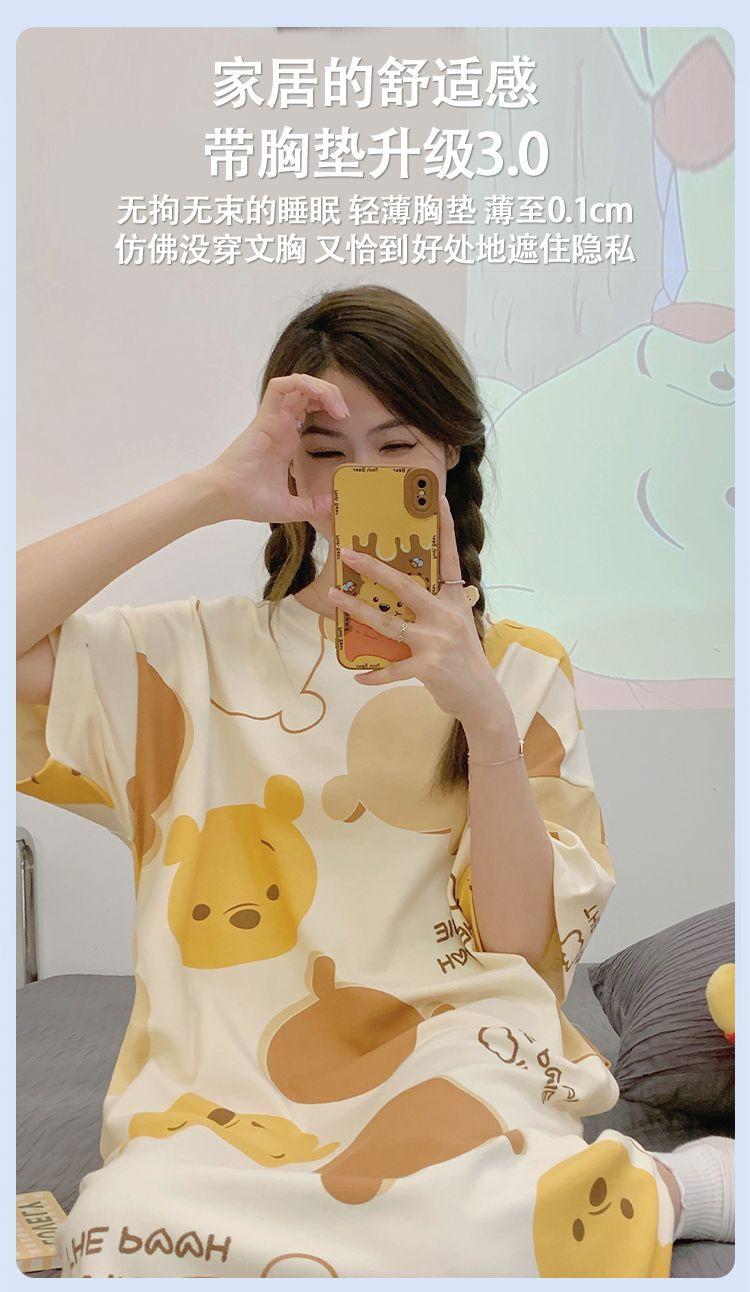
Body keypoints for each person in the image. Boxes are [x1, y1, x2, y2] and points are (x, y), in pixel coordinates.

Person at [16, 285, 732, 1277]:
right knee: (126, 1234)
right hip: (230, 1071)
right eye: (329, 453)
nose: (365, 479)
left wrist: (484, 718)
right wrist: (211, 489)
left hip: (453, 1044)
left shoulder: (520, 670)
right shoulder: (190, 656)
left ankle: (674, 1185)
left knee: (486, 1219)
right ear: (289, 466)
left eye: (397, 448)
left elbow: (520, 944)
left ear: (450, 453)